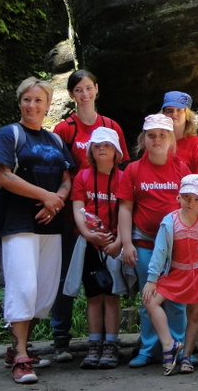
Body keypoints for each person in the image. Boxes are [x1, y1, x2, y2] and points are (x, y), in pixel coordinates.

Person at [0, 77, 74, 384]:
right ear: (19, 102)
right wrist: (45, 196)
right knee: (23, 288)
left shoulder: (55, 140)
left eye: (38, 100)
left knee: (44, 294)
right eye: (27, 99)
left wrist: (57, 200)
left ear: (48, 105)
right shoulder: (9, 134)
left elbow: (67, 178)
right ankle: (21, 357)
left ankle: (17, 347)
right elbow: (3, 176)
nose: (32, 105)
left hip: (50, 224)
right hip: (18, 223)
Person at [51, 69, 129, 362]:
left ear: (96, 89)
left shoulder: (110, 126)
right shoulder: (65, 129)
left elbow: (125, 185)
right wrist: (84, 229)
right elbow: (59, 170)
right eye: (78, 89)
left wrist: (120, 237)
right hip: (77, 222)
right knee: (76, 283)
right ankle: (63, 339)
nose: (84, 94)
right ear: (71, 94)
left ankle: (109, 343)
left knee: (111, 289)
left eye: (88, 88)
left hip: (112, 228)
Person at [118, 114, 191, 368]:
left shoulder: (181, 168)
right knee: (149, 297)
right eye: (151, 135)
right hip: (145, 242)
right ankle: (148, 348)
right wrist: (127, 243)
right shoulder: (133, 169)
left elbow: (190, 207)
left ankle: (179, 347)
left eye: (162, 135)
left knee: (176, 299)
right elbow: (125, 208)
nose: (156, 140)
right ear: (143, 139)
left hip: (176, 245)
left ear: (171, 139)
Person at [143, 174, 198, 375]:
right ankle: (169, 344)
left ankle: (186, 356)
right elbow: (160, 251)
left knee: (194, 314)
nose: (191, 202)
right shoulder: (169, 222)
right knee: (151, 301)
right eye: (187, 197)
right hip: (176, 273)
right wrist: (152, 279)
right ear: (179, 197)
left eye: (197, 199)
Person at [64, 127, 126, 369]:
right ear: (90, 150)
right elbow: (78, 208)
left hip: (114, 244)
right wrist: (89, 234)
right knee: (93, 295)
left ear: (116, 151)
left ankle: (111, 343)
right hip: (89, 244)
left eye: (107, 145)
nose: (102, 149)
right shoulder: (83, 176)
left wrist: (119, 241)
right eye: (97, 146)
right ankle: (94, 343)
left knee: (111, 294)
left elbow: (127, 210)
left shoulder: (123, 177)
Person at [161, 91, 198, 182]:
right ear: (163, 114)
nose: (174, 114)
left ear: (187, 115)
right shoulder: (156, 142)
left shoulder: (197, 144)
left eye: (179, 110)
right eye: (169, 110)